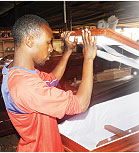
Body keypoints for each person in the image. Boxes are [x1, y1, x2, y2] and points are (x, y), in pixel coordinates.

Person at [1, 14, 97, 151]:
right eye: (48, 42)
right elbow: (81, 104)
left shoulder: (16, 71)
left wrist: (68, 50)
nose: (51, 48)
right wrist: (88, 59)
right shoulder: (25, 86)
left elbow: (52, 79)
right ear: (29, 41)